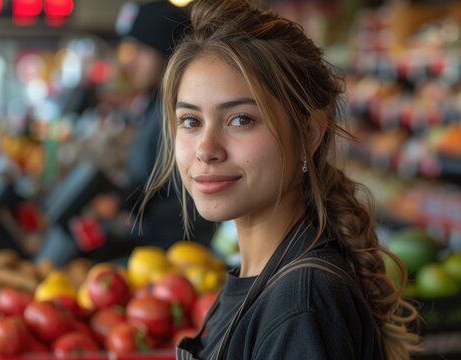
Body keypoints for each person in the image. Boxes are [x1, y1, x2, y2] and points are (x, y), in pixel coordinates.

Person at [142, 0, 420, 359]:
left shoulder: (302, 305)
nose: (206, 149)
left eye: (240, 119)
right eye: (191, 121)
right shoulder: (263, 278)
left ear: (309, 133)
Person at [35, 0, 215, 266]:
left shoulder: (178, 112)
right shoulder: (155, 105)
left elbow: (185, 200)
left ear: (168, 52)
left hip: (174, 255)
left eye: (141, 50)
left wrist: (126, 209)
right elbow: (156, 183)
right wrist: (122, 203)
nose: (130, 62)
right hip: (155, 247)